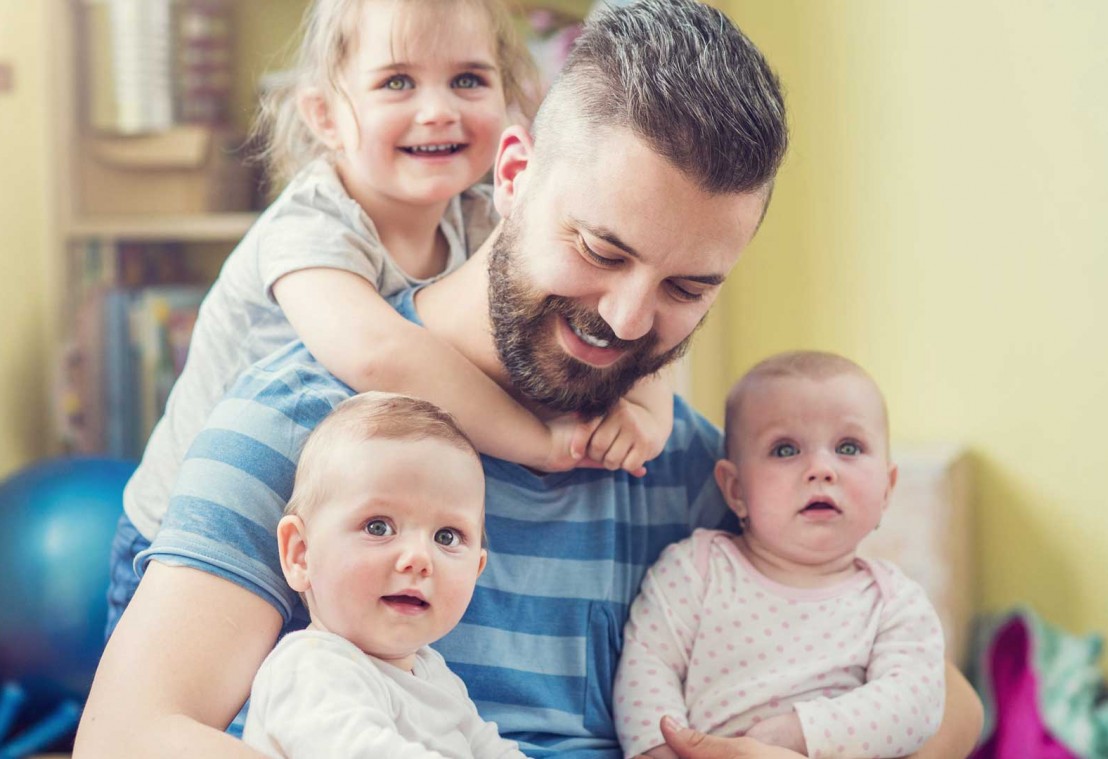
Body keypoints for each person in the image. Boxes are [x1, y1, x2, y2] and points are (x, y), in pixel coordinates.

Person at [76, 2, 982, 757]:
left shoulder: (679, 467)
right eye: (600, 250)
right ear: (512, 173)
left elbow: (948, 711)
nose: (627, 318)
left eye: (687, 288)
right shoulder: (301, 421)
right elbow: (126, 737)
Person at [117, 0, 676, 598]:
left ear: (509, 100)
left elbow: (600, 298)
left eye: (468, 79)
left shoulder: (483, 218)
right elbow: (380, 356)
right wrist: (538, 444)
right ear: (325, 115)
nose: (438, 111)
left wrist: (648, 413)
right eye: (397, 82)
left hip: (333, 528)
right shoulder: (310, 225)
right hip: (191, 538)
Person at [614, 351, 946, 759]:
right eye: (786, 450)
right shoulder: (694, 570)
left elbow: (915, 703)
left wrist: (800, 733)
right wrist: (660, 748)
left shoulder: (894, 602)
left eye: (849, 447)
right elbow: (647, 666)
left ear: (887, 488)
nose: (822, 469)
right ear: (735, 489)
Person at [240, 392, 525, 758]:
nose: (419, 558)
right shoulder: (308, 668)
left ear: (477, 569)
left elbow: (492, 751)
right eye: (378, 527)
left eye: (446, 537)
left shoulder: (435, 676)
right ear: (301, 554)